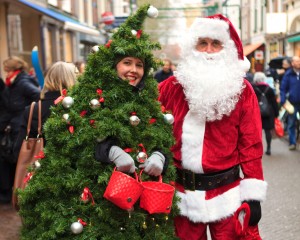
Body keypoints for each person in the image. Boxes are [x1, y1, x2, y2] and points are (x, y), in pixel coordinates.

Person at [19, 5, 177, 239]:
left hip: (141, 209)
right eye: (127, 62)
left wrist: (160, 156)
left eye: (139, 64)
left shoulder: (149, 102)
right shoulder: (90, 97)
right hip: (92, 209)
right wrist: (110, 151)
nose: (133, 70)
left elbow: (160, 138)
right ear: (114, 65)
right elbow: (74, 142)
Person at [158, 14, 267, 239]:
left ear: (226, 49)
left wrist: (252, 195)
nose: (208, 50)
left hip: (227, 196)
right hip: (182, 196)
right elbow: (151, 130)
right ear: (193, 47)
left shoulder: (243, 91)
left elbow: (251, 145)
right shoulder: (170, 88)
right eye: (203, 43)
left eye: (216, 44)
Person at [14, 61, 77, 160]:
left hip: (40, 169)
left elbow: (18, 150)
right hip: (76, 171)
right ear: (73, 79)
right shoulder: (81, 106)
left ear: (48, 79)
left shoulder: (33, 110)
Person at [0, 56, 40, 203]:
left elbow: (37, 96)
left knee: (19, 160)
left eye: (7, 71)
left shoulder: (22, 83)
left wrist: (26, 113)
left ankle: (20, 193)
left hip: (20, 127)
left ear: (13, 70)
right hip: (15, 125)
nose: (6, 74)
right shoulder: (14, 83)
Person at [252, 72, 279, 155]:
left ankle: (257, 149)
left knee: (257, 131)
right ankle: (268, 148)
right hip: (269, 113)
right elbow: (274, 102)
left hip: (256, 112)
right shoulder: (270, 89)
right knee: (268, 131)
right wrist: (276, 113)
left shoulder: (253, 88)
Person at [280, 56, 300, 150]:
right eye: (296, 61)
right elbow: (283, 89)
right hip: (292, 103)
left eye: (299, 61)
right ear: (292, 63)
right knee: (291, 124)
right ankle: (292, 143)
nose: (298, 63)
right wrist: (283, 101)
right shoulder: (288, 74)